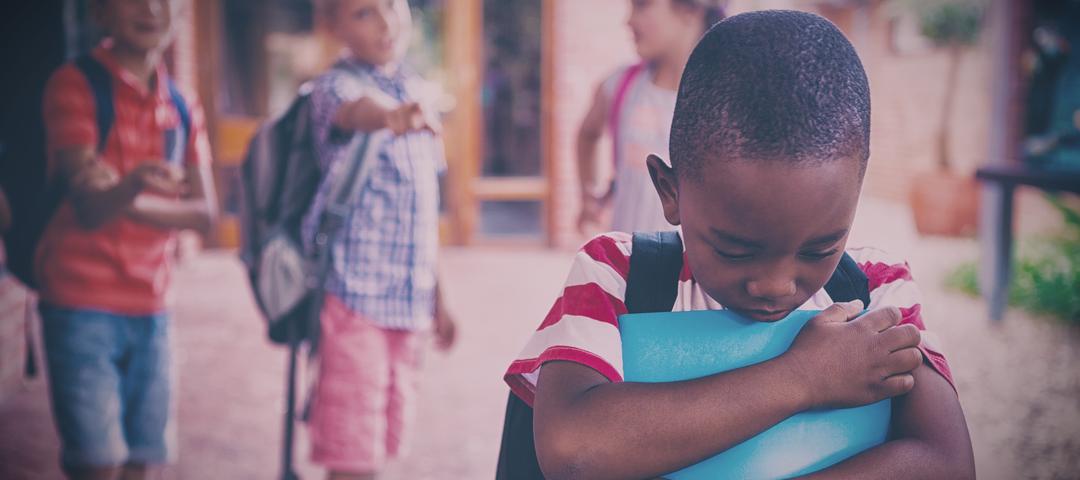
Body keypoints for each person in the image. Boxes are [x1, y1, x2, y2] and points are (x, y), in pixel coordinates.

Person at [505, 10, 975, 479]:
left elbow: (947, 463)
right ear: (670, 192)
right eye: (736, 251)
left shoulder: (877, 292)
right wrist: (802, 378)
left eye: (818, 250)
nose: (775, 285)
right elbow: (573, 451)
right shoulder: (618, 276)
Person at [35, 0, 217, 479]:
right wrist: (132, 185)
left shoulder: (181, 103)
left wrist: (120, 189)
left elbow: (204, 215)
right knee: (97, 463)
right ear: (100, 12)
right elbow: (91, 212)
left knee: (142, 459)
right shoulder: (74, 85)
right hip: (79, 301)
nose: (153, 9)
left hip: (154, 307)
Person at [304, 0, 457, 478]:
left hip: (407, 304)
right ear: (332, 25)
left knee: (384, 445)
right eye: (363, 12)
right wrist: (391, 116)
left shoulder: (417, 90)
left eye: (393, 5)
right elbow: (357, 112)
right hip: (355, 302)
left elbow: (421, 211)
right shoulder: (332, 89)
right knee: (352, 454)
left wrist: (439, 296)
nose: (387, 21)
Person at [577, 0, 725, 235]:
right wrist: (589, 193)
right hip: (627, 265)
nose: (629, 20)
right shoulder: (620, 86)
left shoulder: (722, 98)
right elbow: (587, 135)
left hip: (690, 269)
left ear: (690, 10)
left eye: (642, 5)